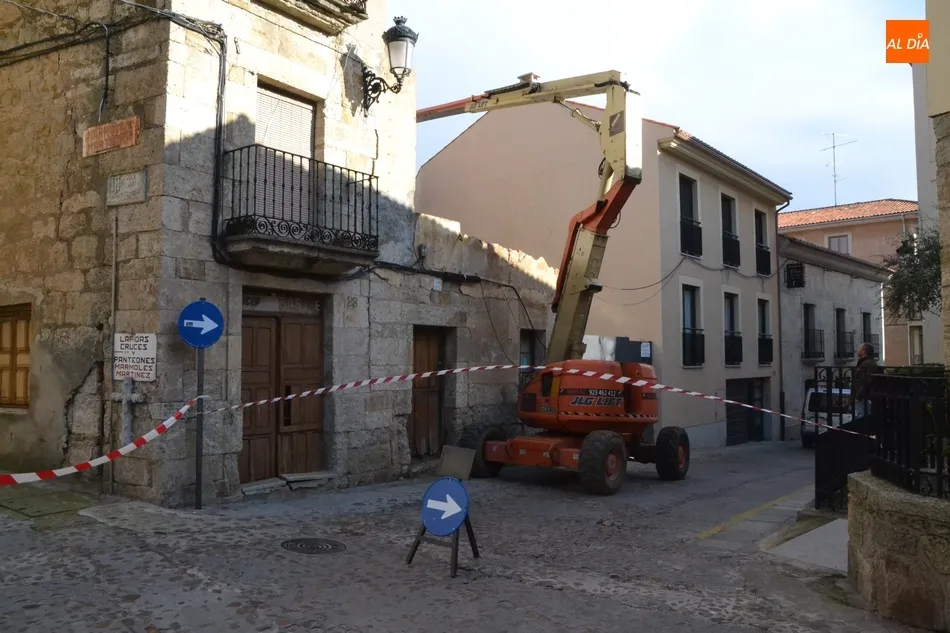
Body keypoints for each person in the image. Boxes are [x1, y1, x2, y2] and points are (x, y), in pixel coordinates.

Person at [853, 342, 878, 420]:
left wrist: (858, 396)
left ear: (863, 351)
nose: (857, 351)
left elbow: (866, 382)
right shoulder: (868, 363)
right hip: (864, 397)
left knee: (862, 418)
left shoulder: (866, 365)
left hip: (863, 398)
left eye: (859, 349)